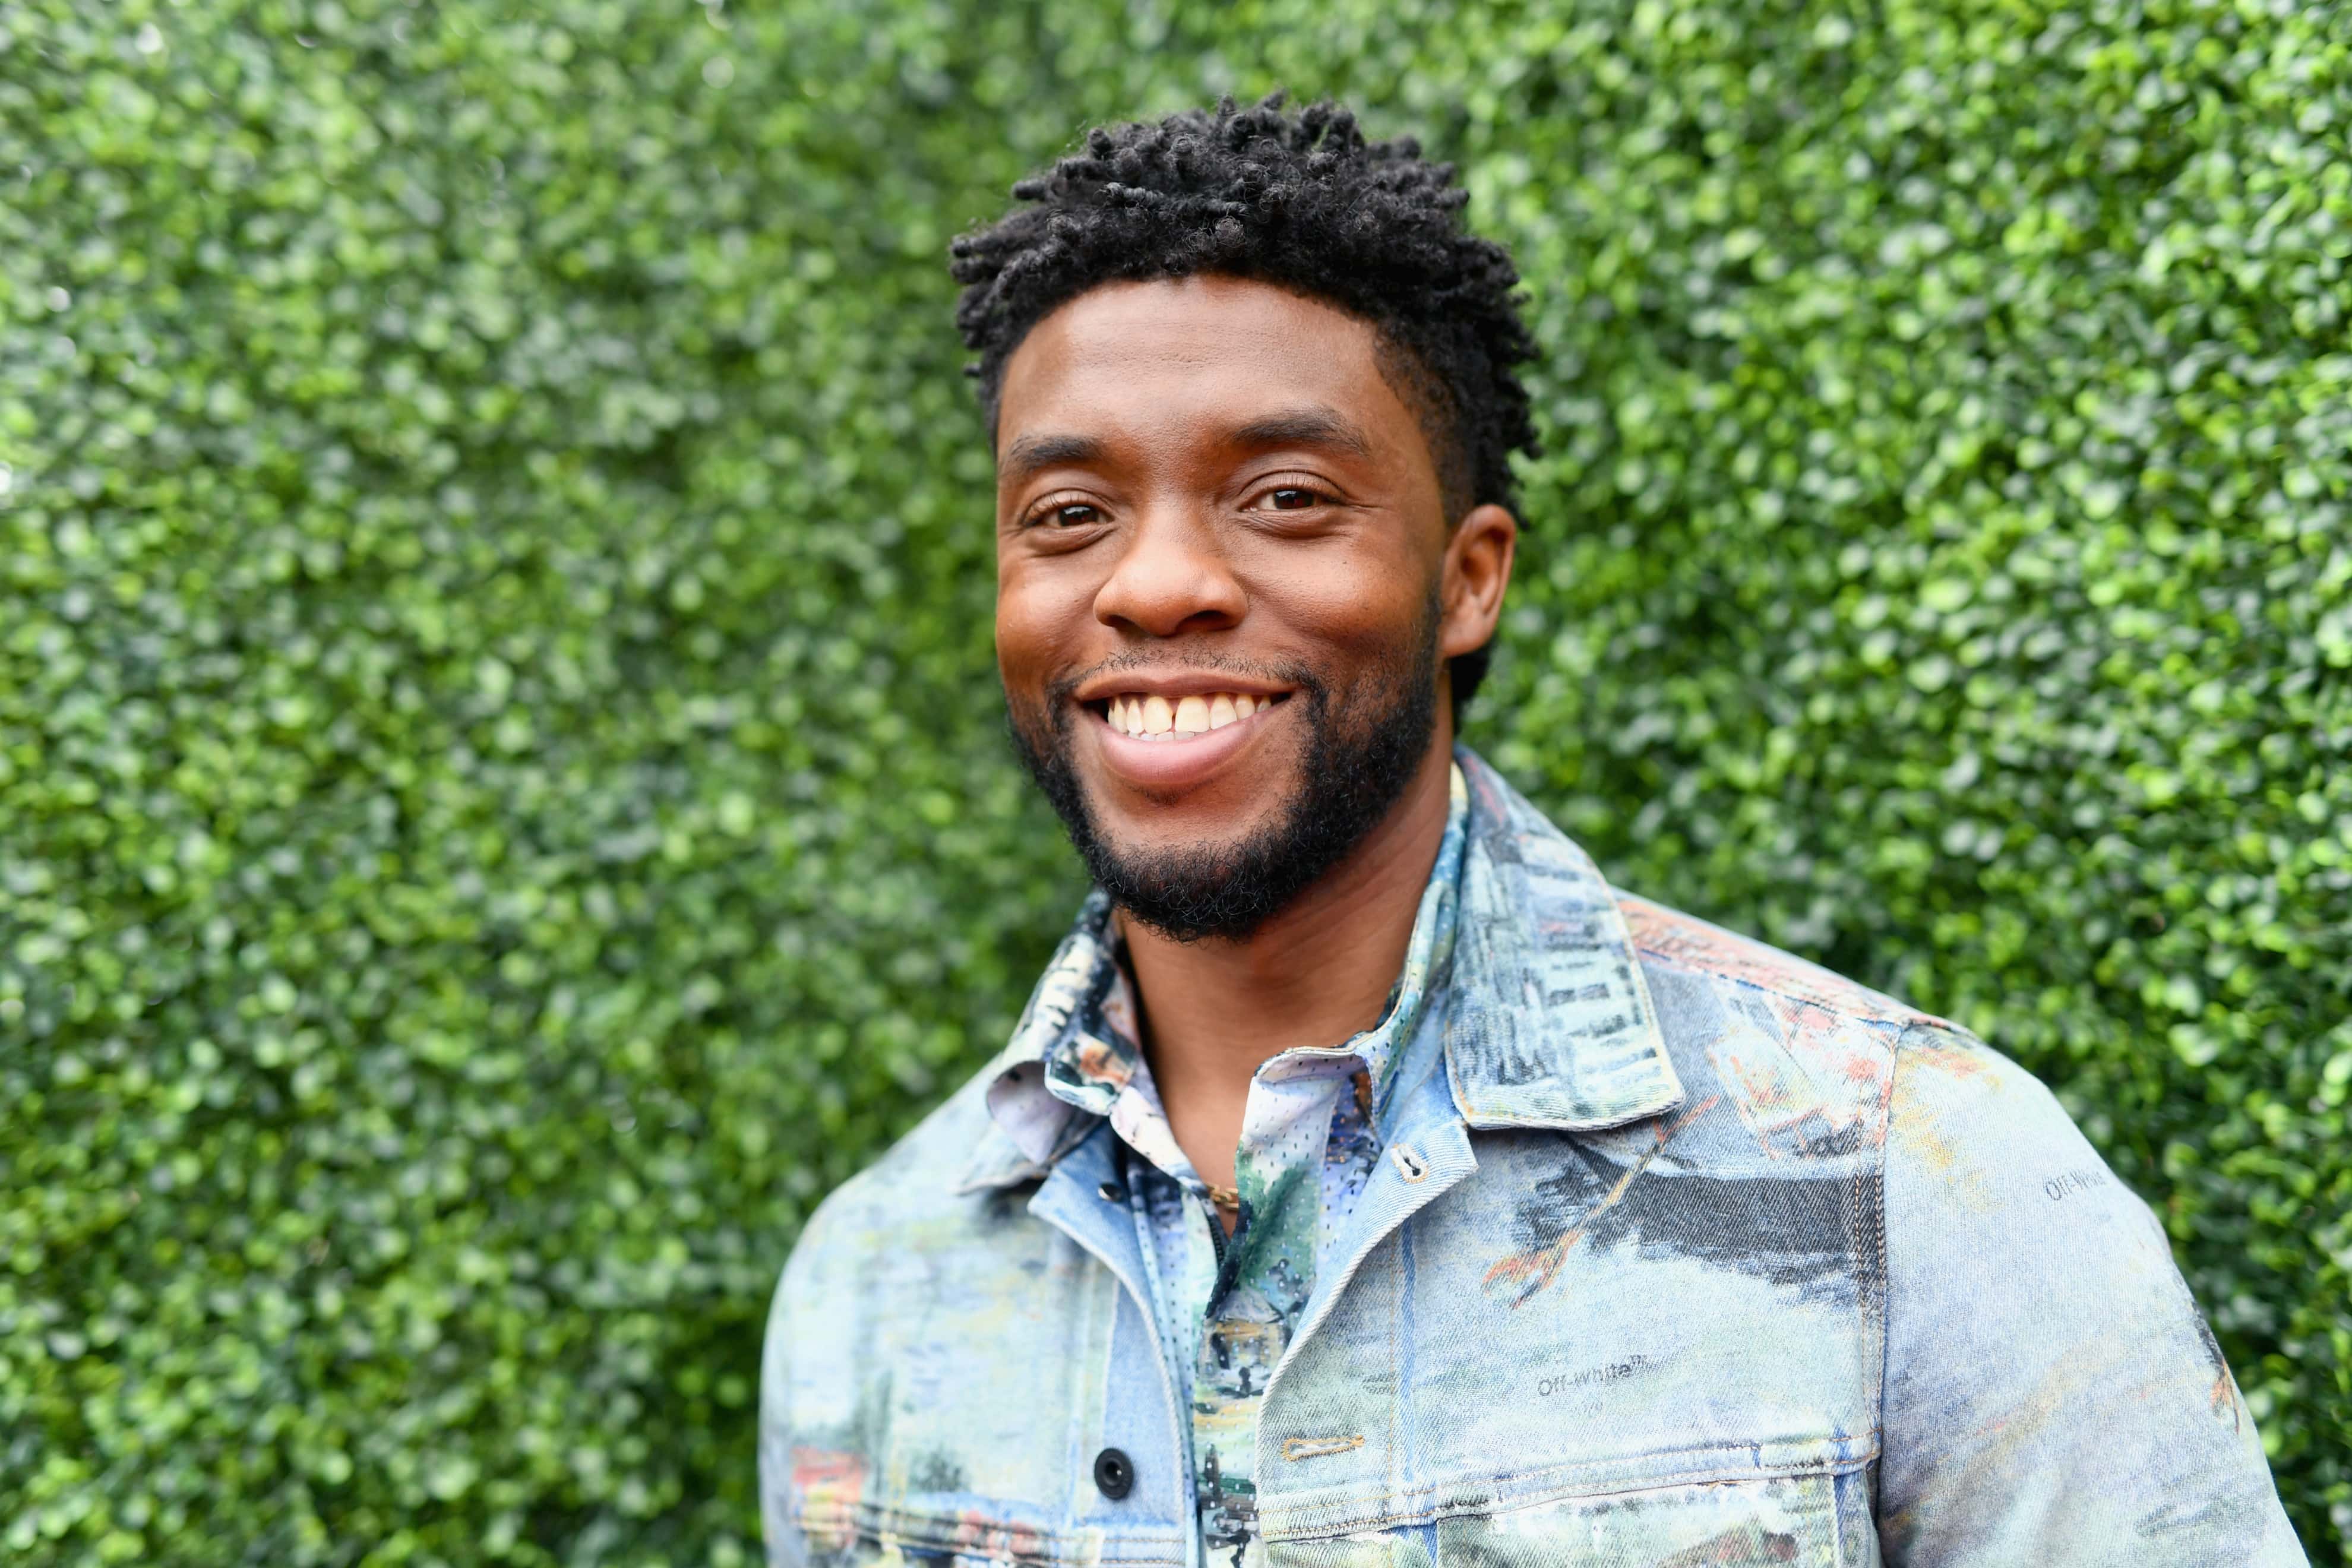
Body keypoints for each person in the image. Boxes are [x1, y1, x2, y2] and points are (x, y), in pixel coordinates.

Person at [758, 96, 2303, 1567]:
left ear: (1467, 577)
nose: (1155, 583)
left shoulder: (1900, 1174)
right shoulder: (875, 1281)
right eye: (1069, 514)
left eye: (1287, 496)